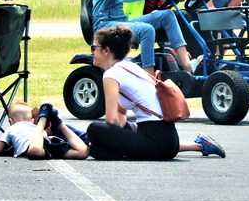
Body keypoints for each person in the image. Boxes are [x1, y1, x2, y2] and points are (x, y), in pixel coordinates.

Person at [86, 24, 226, 161]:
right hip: (169, 140)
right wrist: (115, 137)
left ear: (106, 51)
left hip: (156, 144)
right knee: (119, 132)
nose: (91, 52)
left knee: (94, 129)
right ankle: (199, 145)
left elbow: (111, 120)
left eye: (94, 48)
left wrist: (108, 139)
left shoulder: (111, 74)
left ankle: (98, 149)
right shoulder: (130, 67)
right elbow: (121, 115)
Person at [0, 101, 88, 159]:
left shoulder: (12, 128)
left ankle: (42, 120)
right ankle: (61, 125)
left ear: (11, 121)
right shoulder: (36, 129)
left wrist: (7, 149)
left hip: (37, 146)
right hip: (49, 141)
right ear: (32, 120)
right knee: (82, 153)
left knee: (35, 152)